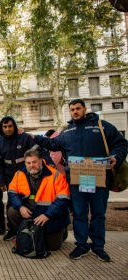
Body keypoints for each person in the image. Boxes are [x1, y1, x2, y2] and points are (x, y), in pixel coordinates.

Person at [33, 99, 128, 262]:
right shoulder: (67, 130)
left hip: (99, 179)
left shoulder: (101, 125)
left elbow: (121, 144)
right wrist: (34, 138)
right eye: (72, 109)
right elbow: (53, 144)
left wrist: (116, 157)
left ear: (85, 109)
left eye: (78, 108)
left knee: (98, 214)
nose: (75, 112)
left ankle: (98, 247)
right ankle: (82, 245)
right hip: (77, 181)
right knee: (79, 214)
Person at [0, 116, 54, 241]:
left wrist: (49, 162)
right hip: (10, 177)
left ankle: (37, 227)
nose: (8, 129)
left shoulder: (23, 137)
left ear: (14, 126)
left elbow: (39, 151)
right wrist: (0, 181)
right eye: (5, 127)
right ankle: (13, 230)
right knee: (12, 204)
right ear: (1, 128)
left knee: (32, 200)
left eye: (10, 126)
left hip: (28, 175)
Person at [8, 150, 70, 252]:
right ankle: (26, 233)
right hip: (30, 213)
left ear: (41, 161)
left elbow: (63, 200)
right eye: (28, 163)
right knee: (12, 211)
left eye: (34, 162)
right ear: (25, 163)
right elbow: (12, 193)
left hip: (50, 215)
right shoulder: (19, 174)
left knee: (53, 247)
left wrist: (47, 215)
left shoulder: (56, 175)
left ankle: (62, 231)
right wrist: (20, 207)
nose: (31, 165)